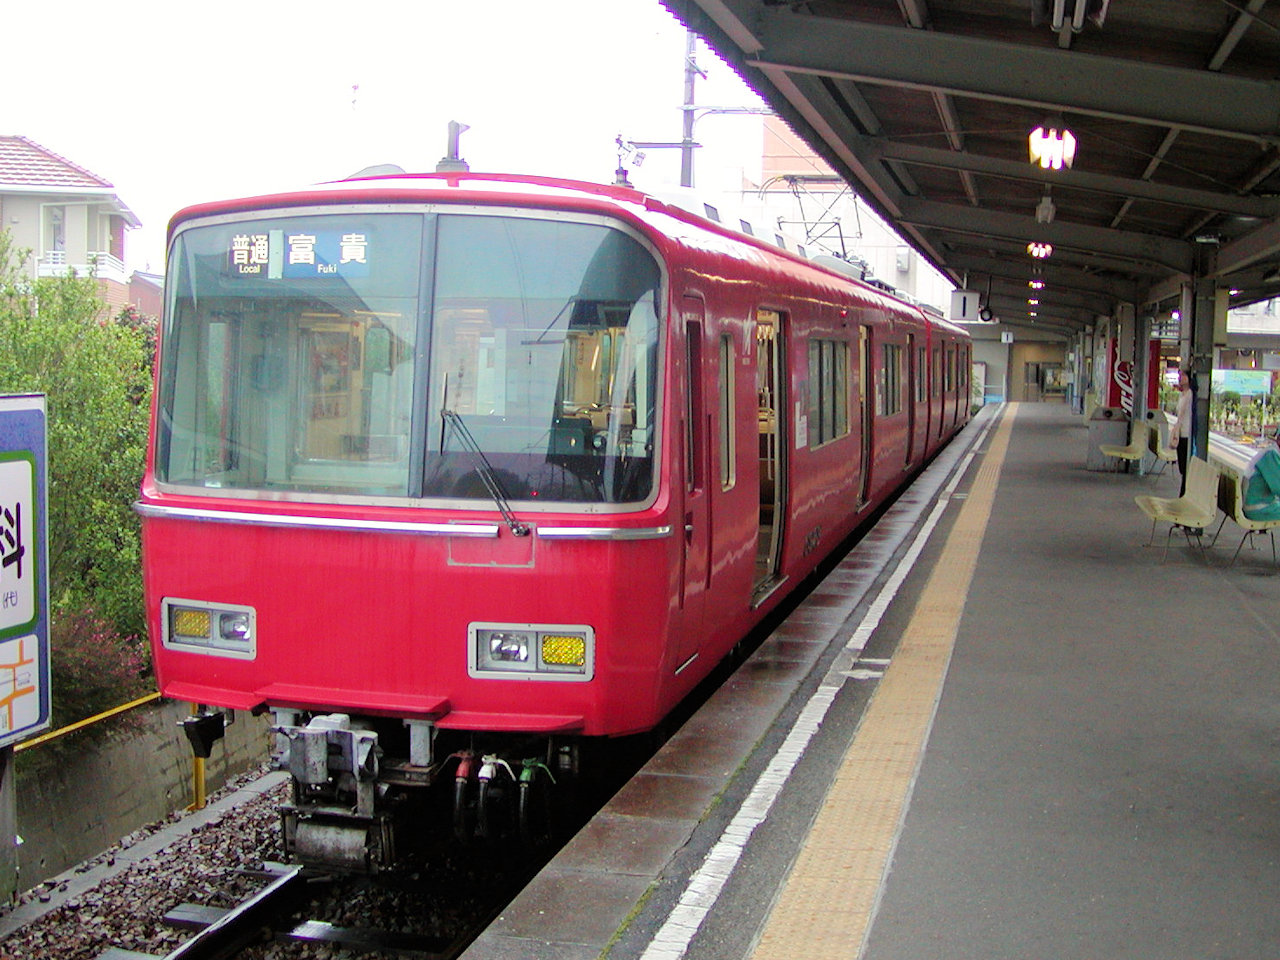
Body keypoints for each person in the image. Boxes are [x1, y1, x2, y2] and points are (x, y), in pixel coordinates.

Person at [1167, 370, 1195, 496]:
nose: (1180, 378)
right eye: (1180, 375)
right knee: (1182, 466)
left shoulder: (1190, 394)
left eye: (1184, 375)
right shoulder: (1182, 394)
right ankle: (1183, 492)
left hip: (1186, 434)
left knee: (1185, 466)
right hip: (1181, 432)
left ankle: (1184, 493)